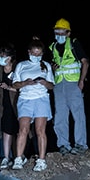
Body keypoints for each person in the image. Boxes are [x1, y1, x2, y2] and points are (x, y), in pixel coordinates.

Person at [9, 38, 54, 172]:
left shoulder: (46, 65)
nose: (36, 57)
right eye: (34, 54)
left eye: (39, 54)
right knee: (23, 129)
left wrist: (44, 82)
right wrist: (25, 83)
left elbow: (51, 86)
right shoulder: (21, 65)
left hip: (41, 99)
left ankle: (41, 160)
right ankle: (18, 159)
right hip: (25, 99)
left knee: (40, 130)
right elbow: (15, 84)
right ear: (29, 52)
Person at [48, 18, 90, 155]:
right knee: (60, 115)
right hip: (59, 84)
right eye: (57, 31)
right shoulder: (53, 47)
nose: (59, 34)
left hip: (73, 83)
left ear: (68, 33)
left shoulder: (73, 44)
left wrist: (81, 81)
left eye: (62, 31)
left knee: (78, 114)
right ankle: (63, 145)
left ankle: (80, 144)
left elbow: (85, 62)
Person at [0, 43, 20, 168]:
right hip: (4, 104)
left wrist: (10, 87)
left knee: (20, 130)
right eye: (0, 56)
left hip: (18, 103)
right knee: (6, 131)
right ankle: (6, 157)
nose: (1, 58)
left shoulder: (18, 68)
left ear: (10, 57)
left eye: (4, 56)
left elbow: (23, 87)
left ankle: (19, 156)